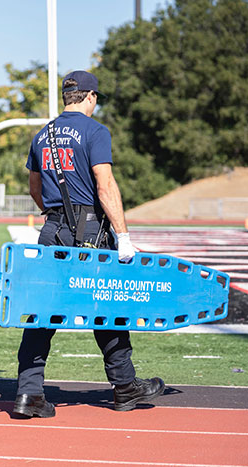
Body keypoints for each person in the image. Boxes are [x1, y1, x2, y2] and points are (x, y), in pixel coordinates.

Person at [14, 70, 165, 419]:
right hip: (90, 231)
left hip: (52, 231)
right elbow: (105, 183)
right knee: (106, 305)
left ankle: (29, 392)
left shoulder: (42, 135)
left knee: (42, 310)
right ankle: (125, 386)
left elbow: (35, 187)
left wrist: (53, 215)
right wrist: (123, 235)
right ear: (91, 97)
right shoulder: (95, 132)